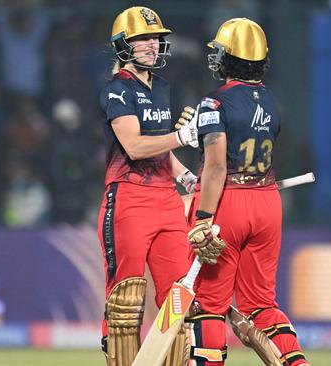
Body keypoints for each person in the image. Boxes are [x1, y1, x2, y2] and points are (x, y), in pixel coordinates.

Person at [183, 18, 309, 366]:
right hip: (267, 200)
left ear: (228, 58)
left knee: (208, 302)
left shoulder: (214, 103)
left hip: (229, 203)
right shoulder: (270, 100)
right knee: (261, 305)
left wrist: (204, 217)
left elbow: (217, 167)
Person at [97, 7, 199, 366]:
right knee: (126, 299)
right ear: (124, 44)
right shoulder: (117, 89)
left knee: (177, 296)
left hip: (167, 200)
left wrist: (185, 174)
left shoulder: (161, 87)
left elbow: (160, 147)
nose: (153, 45)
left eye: (156, 38)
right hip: (129, 197)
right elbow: (136, 147)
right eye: (143, 38)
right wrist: (181, 136)